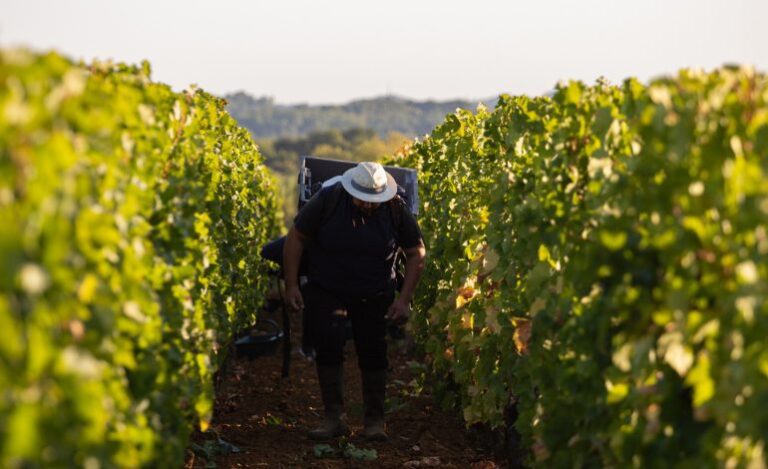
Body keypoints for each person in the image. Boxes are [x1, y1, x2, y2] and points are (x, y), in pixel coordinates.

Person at [283, 161, 426, 441]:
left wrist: (404, 299)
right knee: (328, 345)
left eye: (376, 201)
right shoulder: (329, 198)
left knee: (373, 351)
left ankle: (374, 422)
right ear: (351, 192)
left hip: (374, 291)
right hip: (328, 287)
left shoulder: (395, 209)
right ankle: (332, 418)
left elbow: (416, 252)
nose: (370, 206)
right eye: (365, 201)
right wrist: (291, 286)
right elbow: (296, 238)